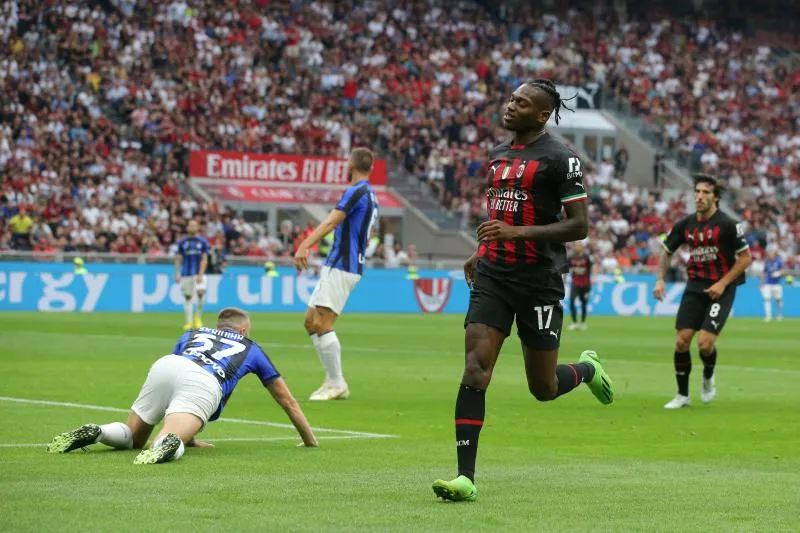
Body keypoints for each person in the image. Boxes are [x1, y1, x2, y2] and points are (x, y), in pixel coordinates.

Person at [431, 79, 615, 503]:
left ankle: (587, 370)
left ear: (542, 114)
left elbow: (579, 226)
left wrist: (516, 234)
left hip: (538, 280)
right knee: (475, 369)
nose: (510, 106)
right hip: (493, 275)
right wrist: (482, 249)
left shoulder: (561, 159)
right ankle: (465, 478)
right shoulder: (499, 154)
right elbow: (501, 212)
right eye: (511, 98)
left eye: (521, 103)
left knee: (543, 388)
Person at [47, 307, 318, 464]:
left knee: (133, 438)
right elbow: (287, 401)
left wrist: (192, 435)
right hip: (205, 381)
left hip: (167, 365)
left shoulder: (193, 333)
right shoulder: (251, 347)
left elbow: (177, 378)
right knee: (166, 439)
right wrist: (309, 440)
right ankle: (169, 442)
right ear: (244, 330)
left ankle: (99, 431)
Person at [654, 174, 752, 409]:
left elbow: (745, 258)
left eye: (705, 192)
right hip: (695, 286)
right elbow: (667, 250)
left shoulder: (729, 225)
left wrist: (722, 283)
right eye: (697, 192)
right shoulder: (685, 224)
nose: (699, 196)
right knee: (681, 342)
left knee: (705, 344)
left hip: (722, 289)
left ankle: (708, 374)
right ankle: (682, 395)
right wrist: (660, 280)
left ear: (715, 198)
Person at [294, 147, 380, 401]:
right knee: (311, 321)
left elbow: (331, 221)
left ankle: (337, 383)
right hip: (341, 263)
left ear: (351, 165)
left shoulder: (356, 191)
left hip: (343, 264)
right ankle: (331, 380)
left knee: (323, 323)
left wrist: (304, 245)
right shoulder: (371, 195)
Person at [175, 220, 210, 330]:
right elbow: (178, 258)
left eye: (194, 225)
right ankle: (189, 322)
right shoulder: (182, 242)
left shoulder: (203, 241)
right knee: (188, 297)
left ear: (197, 227)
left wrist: (201, 273)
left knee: (200, 292)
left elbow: (204, 258)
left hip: (199, 273)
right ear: (187, 228)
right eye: (190, 225)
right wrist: (177, 273)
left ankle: (198, 318)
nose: (192, 227)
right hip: (186, 273)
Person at [567, 241, 592, 330]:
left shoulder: (586, 257)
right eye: (576, 245)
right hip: (575, 283)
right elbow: (566, 269)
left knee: (584, 303)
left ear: (582, 247)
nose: (577, 247)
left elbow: (591, 268)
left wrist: (593, 279)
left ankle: (583, 322)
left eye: (579, 245)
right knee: (571, 301)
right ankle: (574, 322)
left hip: (585, 284)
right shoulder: (571, 258)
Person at [760, 247, 784, 322]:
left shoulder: (779, 261)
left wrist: (778, 273)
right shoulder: (767, 262)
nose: (770, 255)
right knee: (767, 299)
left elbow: (783, 271)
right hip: (768, 283)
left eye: (771, 253)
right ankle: (768, 316)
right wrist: (762, 283)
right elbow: (764, 273)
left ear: (774, 254)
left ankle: (779, 314)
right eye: (769, 253)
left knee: (778, 299)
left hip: (777, 284)